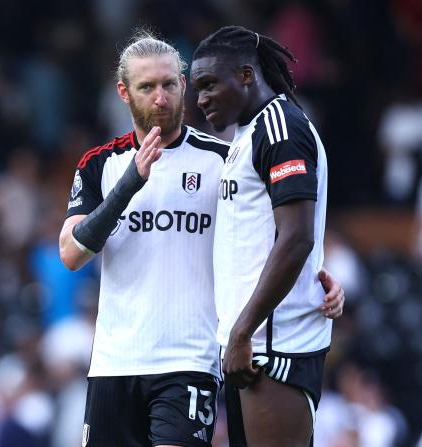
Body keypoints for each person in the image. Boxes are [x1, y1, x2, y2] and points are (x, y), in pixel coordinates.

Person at [59, 30, 344, 447]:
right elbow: (70, 253)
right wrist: (129, 185)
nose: (162, 97)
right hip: (114, 363)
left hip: (191, 361)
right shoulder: (100, 165)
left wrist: (318, 276)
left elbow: (275, 229)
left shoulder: (222, 159)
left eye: (171, 84)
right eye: (147, 87)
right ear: (123, 92)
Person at [190, 26, 332, 447]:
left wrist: (241, 332)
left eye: (210, 84)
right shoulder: (244, 135)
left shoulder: (281, 127)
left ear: (247, 75)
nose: (200, 99)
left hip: (275, 347)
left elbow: (296, 238)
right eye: (197, 88)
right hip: (251, 346)